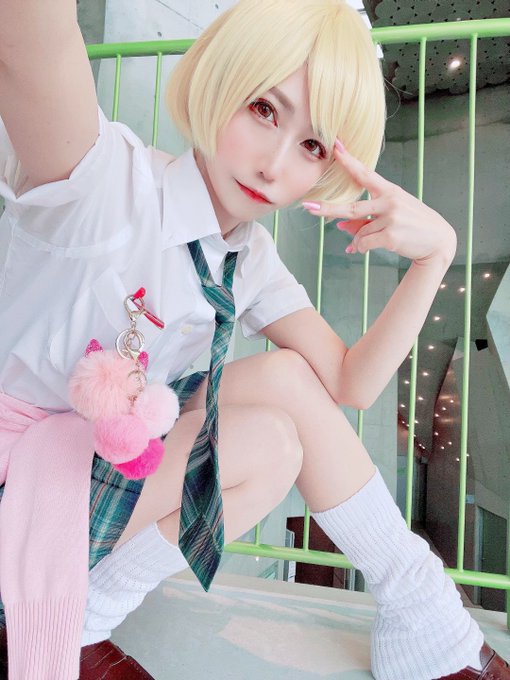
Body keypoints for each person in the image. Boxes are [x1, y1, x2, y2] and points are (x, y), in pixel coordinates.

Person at [0, 0, 508, 679]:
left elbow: (351, 383)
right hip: (18, 485)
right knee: (265, 443)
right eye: (264, 109)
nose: (274, 165)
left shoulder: (249, 258)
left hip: (96, 470)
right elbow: (31, 37)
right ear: (222, 78)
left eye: (313, 146)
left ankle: (421, 609)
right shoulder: (103, 181)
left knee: (286, 388)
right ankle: (71, 620)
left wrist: (434, 257)